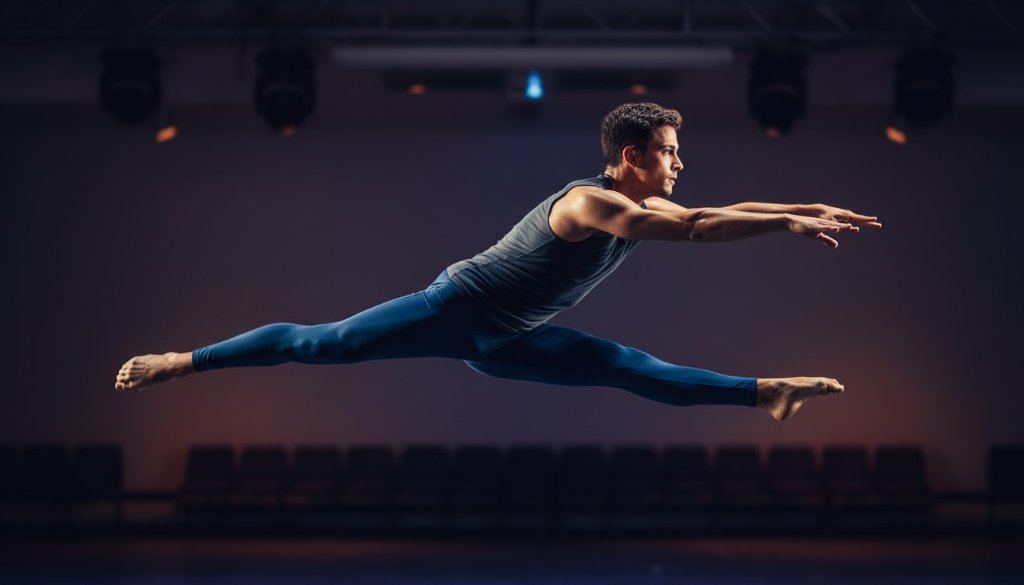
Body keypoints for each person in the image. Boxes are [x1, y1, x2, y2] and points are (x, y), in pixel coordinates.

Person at [114, 102, 881, 421]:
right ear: (630, 157)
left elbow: (709, 213)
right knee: (320, 343)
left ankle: (766, 392)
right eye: (671, 154)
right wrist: (785, 219)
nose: (680, 165)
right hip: (455, 309)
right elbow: (702, 228)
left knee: (630, 366)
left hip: (512, 340)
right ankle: (183, 359)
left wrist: (797, 210)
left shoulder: (641, 203)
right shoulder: (592, 203)